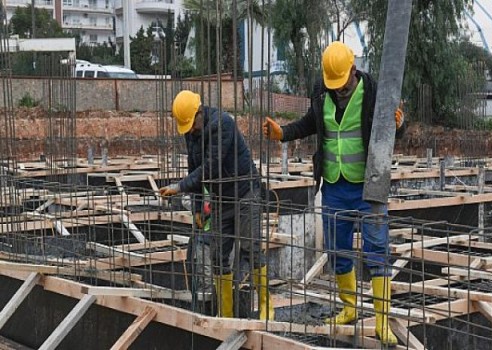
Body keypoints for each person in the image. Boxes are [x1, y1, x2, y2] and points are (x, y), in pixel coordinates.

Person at [263, 41, 404, 345]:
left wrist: (399, 124)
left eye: (342, 85)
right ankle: (350, 308)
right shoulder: (321, 90)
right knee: (338, 249)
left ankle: (382, 322)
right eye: (333, 86)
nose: (338, 91)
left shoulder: (373, 91)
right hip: (334, 186)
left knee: (376, 250)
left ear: (353, 70)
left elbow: (393, 127)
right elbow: (310, 124)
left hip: (369, 185)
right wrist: (283, 133)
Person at [160, 90, 274, 321]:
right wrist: (198, 208)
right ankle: (226, 313)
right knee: (218, 255)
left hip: (244, 192)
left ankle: (266, 307)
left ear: (200, 113)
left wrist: (179, 187)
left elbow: (210, 169)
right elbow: (195, 169)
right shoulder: (193, 132)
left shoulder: (223, 124)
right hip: (221, 197)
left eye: (192, 124)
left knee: (251, 248)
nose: (190, 130)